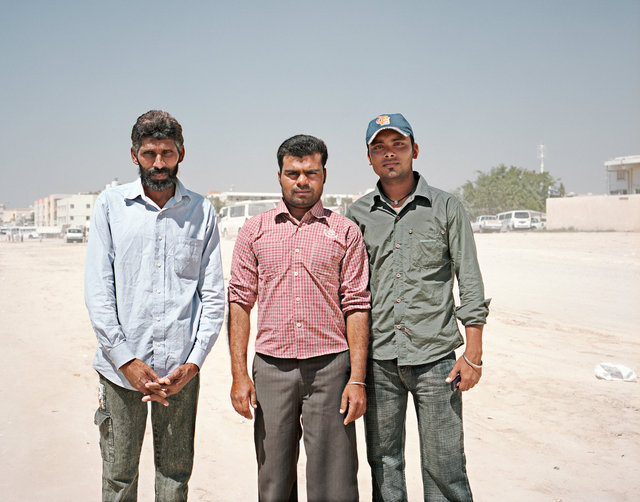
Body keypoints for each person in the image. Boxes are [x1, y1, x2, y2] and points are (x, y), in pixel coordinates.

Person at [346, 114, 490, 502]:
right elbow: (348, 291)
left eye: (398, 145)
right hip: (379, 362)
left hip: (437, 362)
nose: (389, 154)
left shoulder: (446, 207)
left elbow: (470, 281)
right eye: (379, 147)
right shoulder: (356, 216)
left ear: (415, 150)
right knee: (384, 465)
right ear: (369, 158)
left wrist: (472, 354)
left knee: (445, 467)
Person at [85, 110, 225, 501]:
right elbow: (99, 290)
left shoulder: (201, 211)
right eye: (149, 154)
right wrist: (125, 360)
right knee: (118, 477)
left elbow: (212, 296)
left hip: (180, 373)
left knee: (175, 476)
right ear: (134, 156)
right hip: (120, 372)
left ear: (182, 153)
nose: (159, 164)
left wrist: (193, 363)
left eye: (167, 153)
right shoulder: (111, 206)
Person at [227, 134, 371, 502]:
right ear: (279, 176)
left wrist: (356, 378)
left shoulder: (345, 232)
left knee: (335, 484)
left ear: (324, 175)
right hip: (272, 369)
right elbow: (240, 302)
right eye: (293, 173)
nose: (302, 181)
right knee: (274, 481)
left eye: (311, 173)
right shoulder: (254, 230)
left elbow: (356, 305)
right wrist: (239, 374)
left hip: (330, 368)